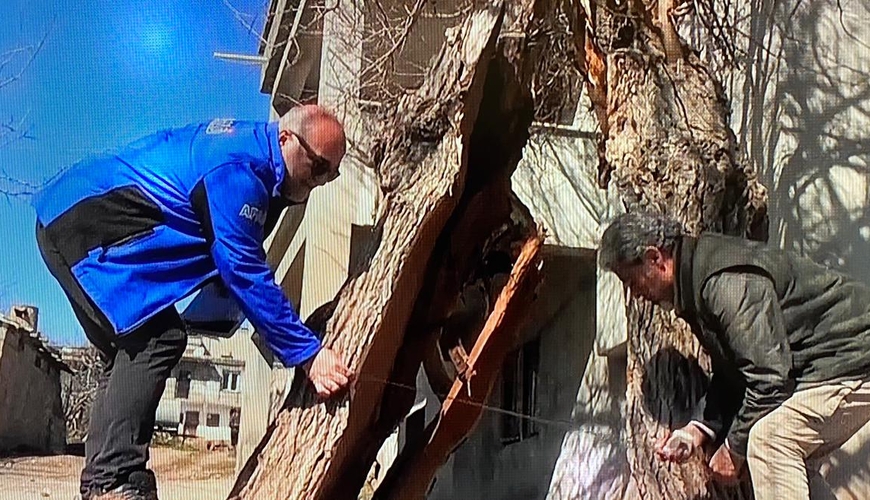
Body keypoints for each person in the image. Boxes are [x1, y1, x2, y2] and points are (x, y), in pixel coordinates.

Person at [32, 105, 354, 500]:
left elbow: (225, 266)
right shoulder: (241, 169)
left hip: (67, 216)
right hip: (83, 221)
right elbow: (242, 269)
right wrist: (308, 353)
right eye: (319, 166)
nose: (321, 180)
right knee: (156, 338)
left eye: (331, 173)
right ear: (286, 138)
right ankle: (112, 480)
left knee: (126, 352)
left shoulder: (257, 165)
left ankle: (105, 480)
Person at [598, 211, 870, 499]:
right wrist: (694, 431)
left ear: (655, 258)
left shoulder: (722, 283)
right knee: (790, 462)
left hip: (854, 359)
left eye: (631, 281)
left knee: (771, 440)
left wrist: (733, 449)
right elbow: (738, 373)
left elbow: (769, 380)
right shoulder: (698, 278)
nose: (634, 293)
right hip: (837, 365)